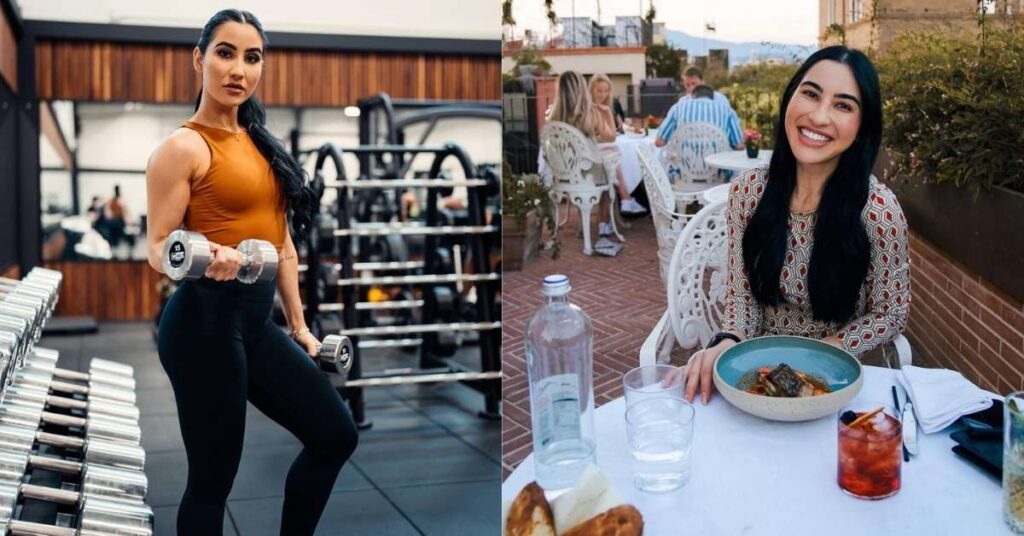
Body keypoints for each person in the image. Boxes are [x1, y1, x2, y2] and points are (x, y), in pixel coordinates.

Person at [144, 10, 358, 535]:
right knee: (213, 479)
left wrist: (301, 327)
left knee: (335, 434)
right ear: (199, 59)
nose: (238, 69)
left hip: (256, 323)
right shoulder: (183, 147)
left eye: (252, 56)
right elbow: (155, 246)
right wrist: (199, 251)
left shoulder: (261, 142)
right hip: (202, 325)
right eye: (225, 52)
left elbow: (282, 245)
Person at [663, 45, 910, 405]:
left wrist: (822, 355)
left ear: (862, 126)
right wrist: (727, 342)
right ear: (790, 98)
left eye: (842, 105)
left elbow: (891, 312)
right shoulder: (749, 192)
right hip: (758, 374)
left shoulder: (878, 210)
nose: (819, 116)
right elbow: (742, 299)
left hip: (839, 383)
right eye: (810, 94)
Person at [655, 84, 744, 151]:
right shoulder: (726, 110)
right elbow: (739, 145)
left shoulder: (678, 107)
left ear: (693, 96)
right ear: (712, 97)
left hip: (683, 172)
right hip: (719, 172)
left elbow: (660, 142)